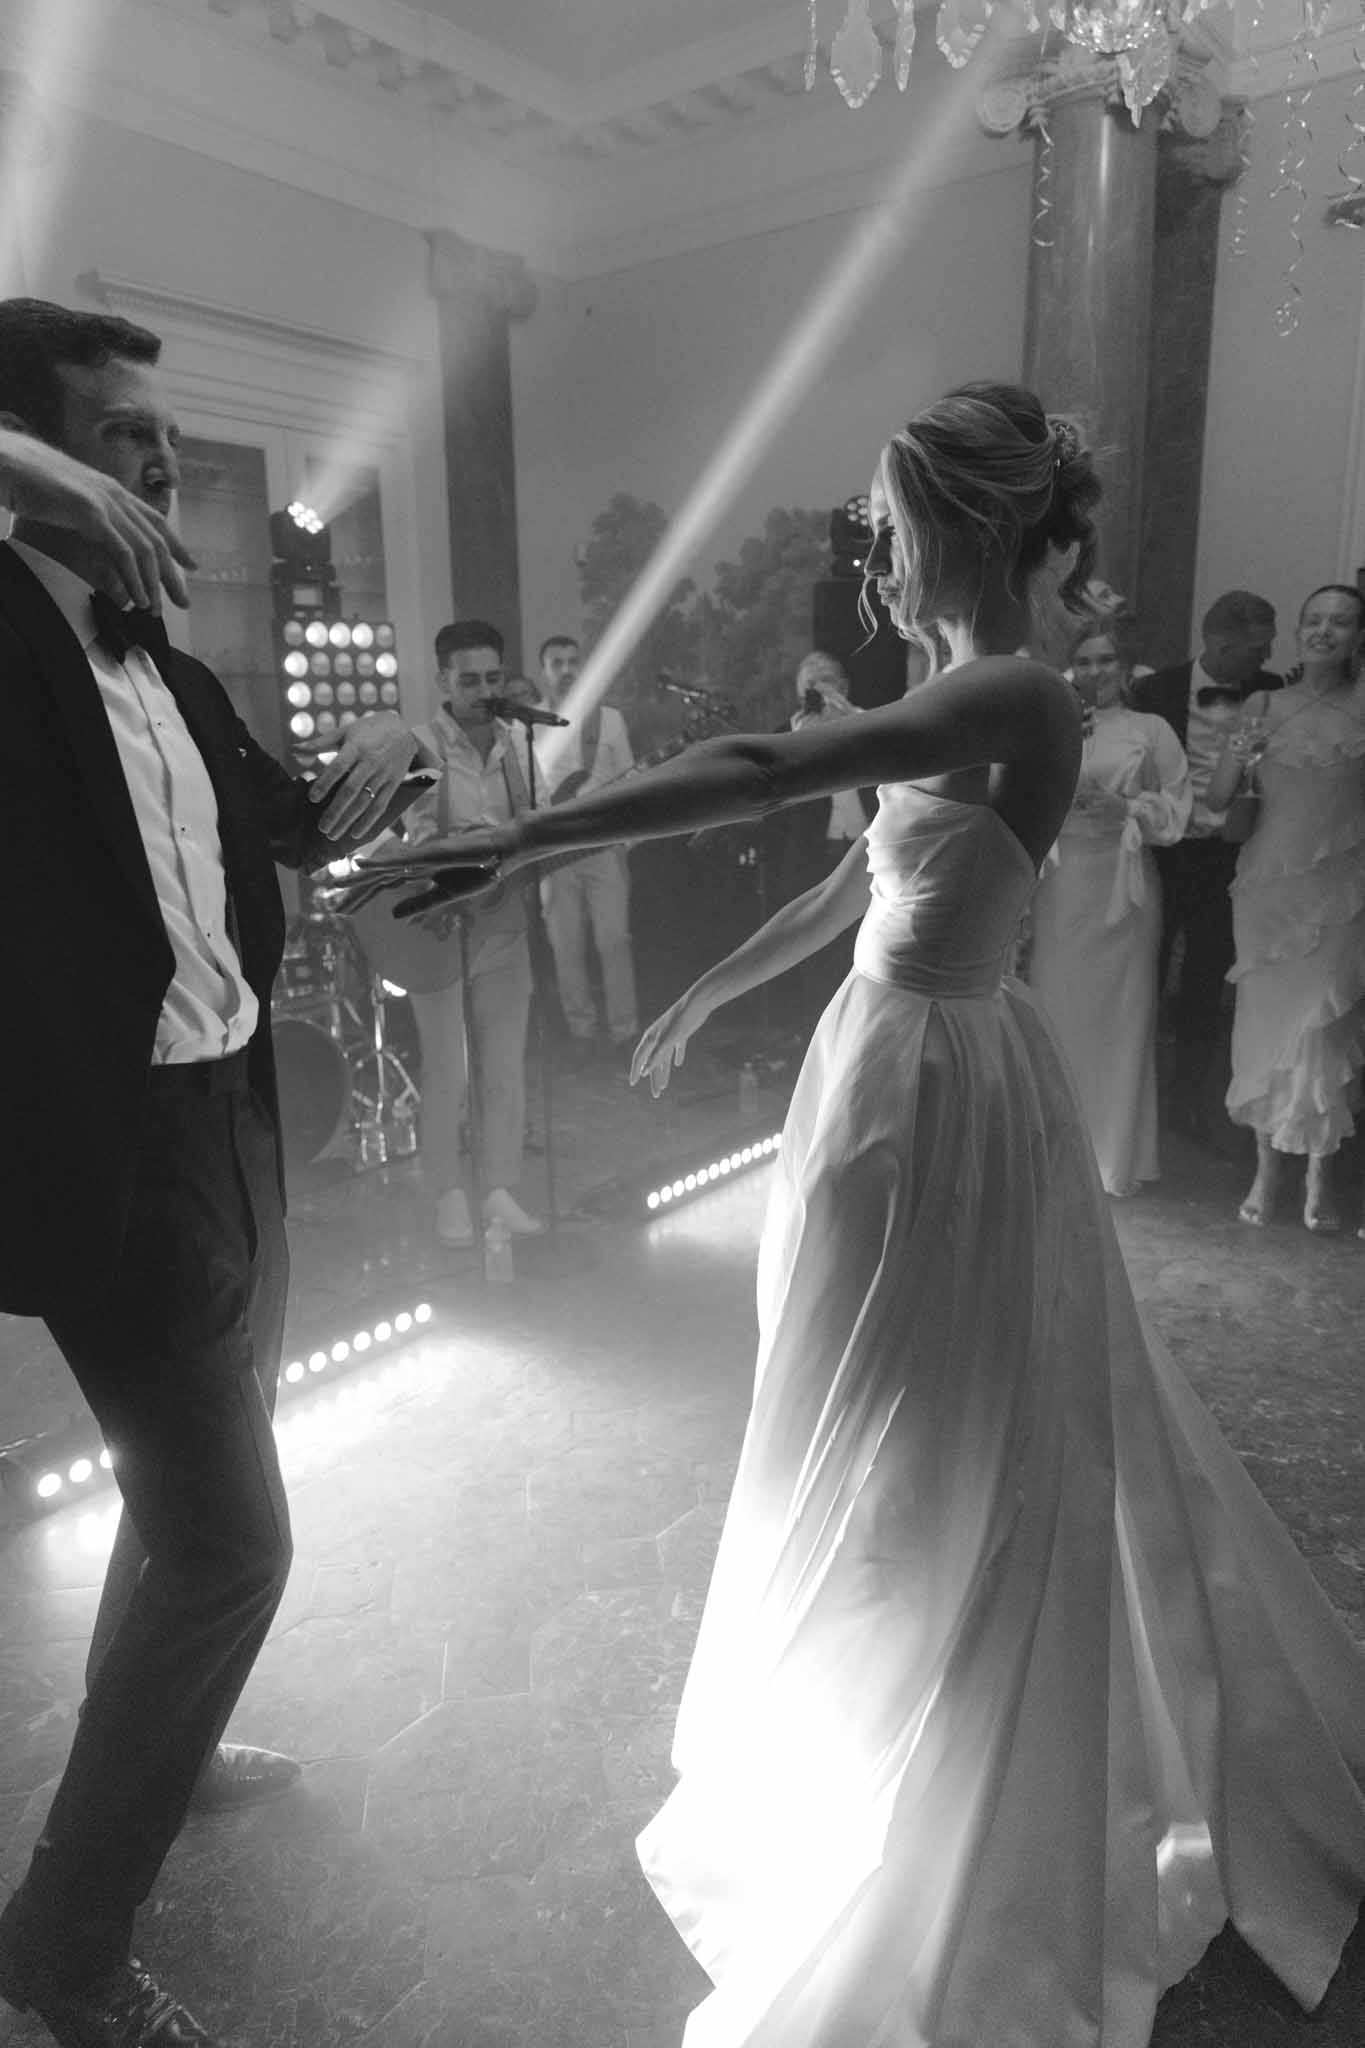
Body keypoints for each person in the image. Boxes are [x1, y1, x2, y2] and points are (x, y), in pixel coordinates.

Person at [415, 384, 1365, 2048]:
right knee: (858, 1399)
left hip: (939, 1091)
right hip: (874, 1065)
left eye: (892, 517)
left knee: (935, 1418)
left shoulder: (1017, 688)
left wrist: (536, 832)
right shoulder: (955, 691)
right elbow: (853, 878)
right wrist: (706, 989)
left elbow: (779, 759)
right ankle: (873, 1695)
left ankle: (949, 1759)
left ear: (965, 529)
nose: (877, 544)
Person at [0, 299, 426, 2048]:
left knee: (184, 1513)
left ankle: (156, 1741)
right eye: (116, 433)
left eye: (164, 437)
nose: (160, 463)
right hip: (106, 1148)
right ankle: (62, 1941)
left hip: (230, 1115)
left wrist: (363, 789)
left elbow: (276, 832)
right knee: (236, 1545)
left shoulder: (166, 666)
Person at [1207, 582, 1365, 1234]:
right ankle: (1265, 1174)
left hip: (1340, 892)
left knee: (1323, 1025)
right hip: (1267, 892)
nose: (1323, 631)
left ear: (1359, 636)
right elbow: (1219, 800)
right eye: (1313, 621)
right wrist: (1240, 754)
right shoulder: (1263, 704)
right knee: (1265, 1032)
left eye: (1340, 623)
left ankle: (1317, 1180)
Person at [1028, 617, 1191, 1195]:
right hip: (1063, 886)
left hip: (1126, 891)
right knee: (1056, 1011)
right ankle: (1053, 1154)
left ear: (1127, 669)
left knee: (1123, 1021)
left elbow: (1178, 811)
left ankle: (1112, 1158)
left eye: (1107, 661)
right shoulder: (1054, 725)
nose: (1096, 671)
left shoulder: (1152, 729)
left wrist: (1125, 807)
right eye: (1086, 661)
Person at [398, 619, 542, 1246]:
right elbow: (414, 838)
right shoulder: (419, 747)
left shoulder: (519, 743)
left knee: (505, 1065)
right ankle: (448, 1194)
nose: (483, 691)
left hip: (506, 923)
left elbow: (531, 827)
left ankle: (498, 1190)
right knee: (448, 1070)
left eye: (492, 678)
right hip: (443, 926)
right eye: (469, 680)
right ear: (443, 681)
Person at [1129, 591, 1281, 1139]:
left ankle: (1188, 1102)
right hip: (1165, 853)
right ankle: (1136, 1095)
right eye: (1256, 646)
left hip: (1231, 856)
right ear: (1218, 642)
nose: (1266, 656)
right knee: (1144, 970)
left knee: (1207, 977)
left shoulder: (1271, 693)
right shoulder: (1154, 690)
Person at [533, 632, 639, 1067]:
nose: (566, 669)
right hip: (554, 850)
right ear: (544, 670)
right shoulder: (526, 724)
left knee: (614, 941)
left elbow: (631, 782)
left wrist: (626, 845)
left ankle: (625, 1032)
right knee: (566, 945)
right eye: (556, 662)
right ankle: (581, 1030)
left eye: (573, 661)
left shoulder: (609, 721)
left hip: (602, 845)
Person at [772, 651, 872, 1035]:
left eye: (823, 683)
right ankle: (819, 1040)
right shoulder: (791, 735)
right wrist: (800, 746)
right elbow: (777, 804)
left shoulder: (868, 723)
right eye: (807, 690)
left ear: (843, 686)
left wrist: (847, 719)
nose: (815, 694)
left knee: (864, 955)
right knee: (815, 955)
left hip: (866, 857)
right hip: (814, 857)